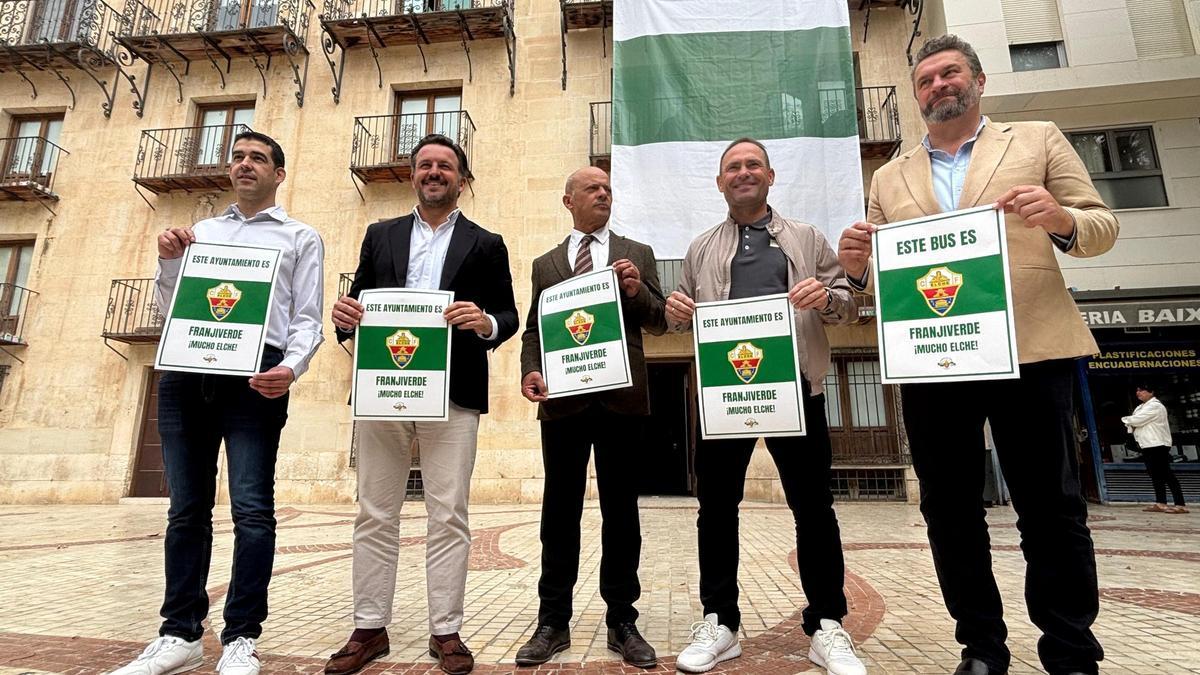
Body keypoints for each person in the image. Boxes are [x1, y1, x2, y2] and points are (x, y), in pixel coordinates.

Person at [837, 34, 1118, 675]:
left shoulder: (1038, 139)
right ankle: (982, 647)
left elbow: (1102, 226)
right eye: (926, 79)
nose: (939, 85)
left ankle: (1071, 649)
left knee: (1050, 508)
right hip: (935, 361)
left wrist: (1061, 219)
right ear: (916, 96)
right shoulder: (889, 175)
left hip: (1031, 351)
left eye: (950, 73)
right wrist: (856, 271)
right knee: (949, 511)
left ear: (979, 80)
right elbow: (884, 279)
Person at [109, 132, 325, 675]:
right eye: (238, 156)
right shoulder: (200, 233)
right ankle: (179, 634)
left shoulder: (302, 238)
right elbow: (173, 304)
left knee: (252, 510)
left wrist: (290, 368)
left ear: (279, 174)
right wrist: (167, 261)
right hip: (187, 371)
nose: (244, 164)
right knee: (186, 510)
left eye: (258, 158)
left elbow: (307, 319)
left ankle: (241, 639)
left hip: (256, 377)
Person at [665, 138, 865, 675]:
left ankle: (827, 625)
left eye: (753, 164)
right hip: (725, 392)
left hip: (797, 386)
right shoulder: (701, 247)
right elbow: (679, 312)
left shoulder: (805, 237)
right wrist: (676, 309)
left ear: (771, 176)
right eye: (733, 167)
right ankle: (720, 622)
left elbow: (846, 301)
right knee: (716, 509)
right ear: (720, 182)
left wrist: (827, 299)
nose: (744, 172)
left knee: (813, 509)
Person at [324, 134, 518, 675]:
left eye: (446, 166)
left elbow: (508, 314)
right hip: (383, 388)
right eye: (425, 165)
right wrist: (345, 317)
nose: (434, 172)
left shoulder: (487, 243)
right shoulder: (379, 234)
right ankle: (368, 628)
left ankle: (446, 632)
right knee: (374, 511)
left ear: (462, 179)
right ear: (413, 175)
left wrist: (485, 323)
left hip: (453, 394)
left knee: (449, 514)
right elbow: (356, 304)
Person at [514, 167, 667, 668]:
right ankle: (552, 621)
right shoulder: (546, 264)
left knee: (622, 513)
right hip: (563, 404)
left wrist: (636, 290)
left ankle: (622, 621)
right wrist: (531, 370)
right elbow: (534, 328)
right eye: (592, 189)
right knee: (559, 514)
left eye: (607, 189)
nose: (603, 194)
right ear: (568, 201)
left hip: (622, 402)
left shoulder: (637, 253)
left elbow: (660, 319)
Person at [1122, 385, 1187, 514]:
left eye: (1142, 390)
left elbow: (1137, 420)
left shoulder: (1156, 406)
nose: (1138, 393)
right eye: (1137, 390)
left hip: (1158, 444)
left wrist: (1127, 420)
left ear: (1151, 392)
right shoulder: (1140, 407)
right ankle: (1161, 503)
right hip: (1146, 444)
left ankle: (1180, 504)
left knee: (1166, 473)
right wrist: (1131, 422)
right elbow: (1132, 425)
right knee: (1155, 475)